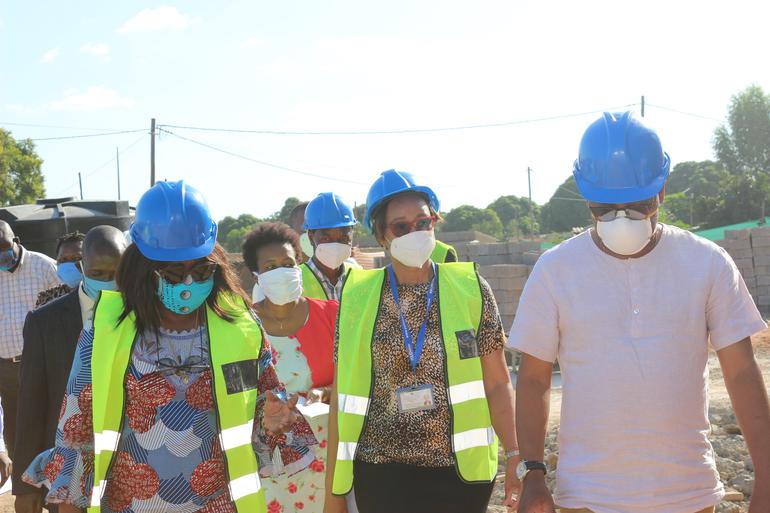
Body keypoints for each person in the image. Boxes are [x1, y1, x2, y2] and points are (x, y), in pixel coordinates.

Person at [510, 112, 770, 513]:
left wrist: (767, 479)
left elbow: (740, 372)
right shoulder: (556, 270)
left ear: (662, 190)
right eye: (606, 208)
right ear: (586, 197)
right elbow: (532, 379)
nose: (622, 218)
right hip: (588, 499)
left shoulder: (707, 263)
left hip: (689, 496)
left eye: (637, 205)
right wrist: (533, 473)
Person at [22, 181, 311, 513]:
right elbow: (76, 440)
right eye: (173, 272)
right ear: (144, 267)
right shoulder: (104, 333)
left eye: (201, 270)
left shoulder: (240, 328)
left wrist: (272, 419)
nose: (188, 283)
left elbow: (256, 411)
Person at [324, 170, 519, 513]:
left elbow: (498, 384)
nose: (414, 232)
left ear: (435, 224)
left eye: (422, 222)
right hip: (381, 474)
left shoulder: (471, 289)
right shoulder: (357, 297)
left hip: (460, 476)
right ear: (382, 235)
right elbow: (343, 400)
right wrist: (334, 493)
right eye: (400, 226)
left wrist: (517, 456)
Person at [14, 226, 127, 513]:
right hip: (69, 474)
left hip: (130, 469)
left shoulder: (145, 316)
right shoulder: (44, 323)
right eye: (97, 273)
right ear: (81, 267)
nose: (107, 282)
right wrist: (26, 488)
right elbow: (31, 406)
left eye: (114, 273)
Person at [243, 222, 338, 513]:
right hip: (268, 466)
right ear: (256, 274)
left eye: (287, 263)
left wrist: (324, 393)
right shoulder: (243, 326)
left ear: (299, 264)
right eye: (270, 267)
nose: (281, 271)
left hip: (328, 457)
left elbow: (358, 381)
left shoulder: (332, 315)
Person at [0, 220, 59, 458]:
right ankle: (22, 483)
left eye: (3, 246)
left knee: (46, 424)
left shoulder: (45, 267)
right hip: (5, 370)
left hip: (40, 365)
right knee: (13, 431)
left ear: (16, 241)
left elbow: (66, 310)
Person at [300, 193, 359, 300]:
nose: (336, 245)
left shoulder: (358, 274)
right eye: (326, 239)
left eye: (343, 238)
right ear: (310, 236)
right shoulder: (295, 282)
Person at [36, 232, 85, 308]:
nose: (69, 264)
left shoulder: (100, 295)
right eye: (63, 259)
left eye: (77, 258)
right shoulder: (46, 300)